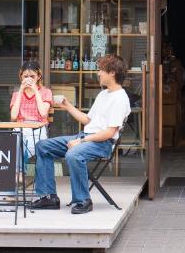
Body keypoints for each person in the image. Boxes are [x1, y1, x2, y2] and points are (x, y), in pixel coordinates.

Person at [29, 54, 130, 214]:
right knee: (43, 146)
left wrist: (81, 142)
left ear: (112, 72)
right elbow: (87, 120)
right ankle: (49, 197)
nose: (98, 73)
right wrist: (67, 104)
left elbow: (109, 132)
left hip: (102, 143)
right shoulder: (103, 94)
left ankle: (83, 200)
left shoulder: (120, 98)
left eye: (101, 70)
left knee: (73, 154)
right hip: (86, 137)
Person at [9, 62, 53, 161]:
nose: (29, 79)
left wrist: (36, 91)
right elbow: (13, 116)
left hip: (38, 129)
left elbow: (43, 113)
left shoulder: (46, 92)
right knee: (16, 146)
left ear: (39, 76)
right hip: (21, 128)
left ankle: (20, 172)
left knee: (22, 150)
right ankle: (19, 173)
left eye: (32, 76)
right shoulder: (16, 94)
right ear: (21, 77)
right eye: (25, 76)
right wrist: (21, 91)